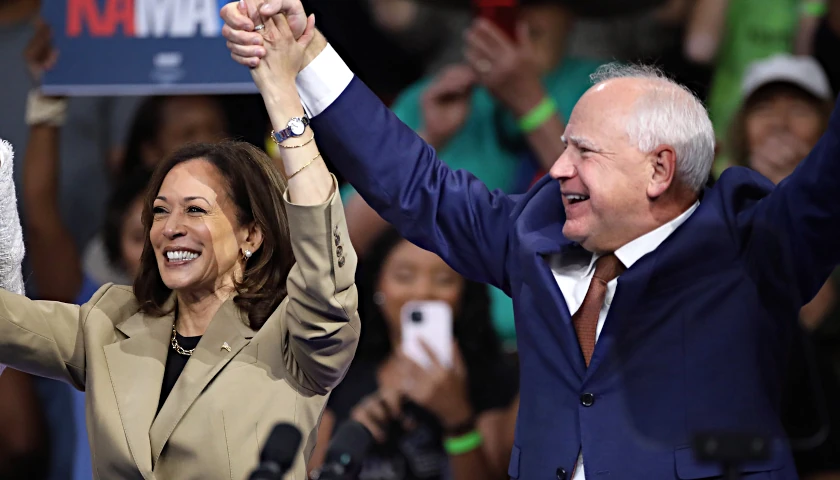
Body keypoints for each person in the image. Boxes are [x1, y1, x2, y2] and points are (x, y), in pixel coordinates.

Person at [224, 2, 840, 478]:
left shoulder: (750, 248)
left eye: (585, 152)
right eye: (565, 146)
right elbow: (415, 184)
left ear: (659, 170)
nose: (561, 167)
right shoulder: (533, 237)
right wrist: (307, 53)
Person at [0, 16, 360, 479]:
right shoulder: (109, 324)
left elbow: (325, 275)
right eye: (160, 211)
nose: (170, 228)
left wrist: (285, 106)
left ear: (252, 234)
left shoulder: (292, 336)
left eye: (194, 210)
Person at [308, 228, 519, 480]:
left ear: (464, 293)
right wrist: (354, 434)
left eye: (443, 279)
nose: (423, 292)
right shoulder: (339, 377)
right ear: (378, 287)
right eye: (404, 276)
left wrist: (458, 420)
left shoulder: (495, 379)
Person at [725, 54, 840, 479]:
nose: (778, 123)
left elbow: (810, 316)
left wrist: (795, 201)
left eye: (798, 109)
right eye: (763, 108)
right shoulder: (709, 209)